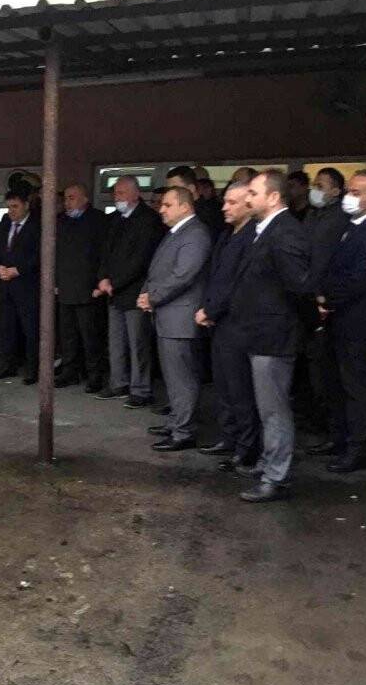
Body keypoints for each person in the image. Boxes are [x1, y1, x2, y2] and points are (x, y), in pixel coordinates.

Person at [230, 170, 310, 502]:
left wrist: (302, 324)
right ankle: (268, 464)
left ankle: (276, 477)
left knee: (274, 409)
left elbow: (299, 286)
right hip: (260, 333)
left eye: (253, 192)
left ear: (273, 197)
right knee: (267, 408)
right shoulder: (264, 231)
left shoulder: (285, 232)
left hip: (274, 336)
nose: (247, 198)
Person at [315, 170, 366, 473]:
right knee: (334, 383)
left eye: (358, 193)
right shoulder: (350, 227)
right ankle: (338, 439)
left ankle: (357, 448)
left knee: (355, 387)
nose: (351, 197)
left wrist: (326, 300)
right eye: (349, 191)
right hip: (338, 320)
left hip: (357, 323)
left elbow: (359, 279)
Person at [138, 187, 212, 451]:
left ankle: (183, 431)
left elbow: (183, 275)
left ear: (184, 206)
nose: (162, 209)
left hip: (180, 317)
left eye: (168, 205)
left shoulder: (195, 234)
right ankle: (176, 422)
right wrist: (146, 293)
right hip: (168, 315)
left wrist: (153, 296)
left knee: (182, 378)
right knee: (173, 376)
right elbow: (158, 269)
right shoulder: (177, 233)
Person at [195, 182, 261, 468]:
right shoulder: (225, 234)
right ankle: (229, 436)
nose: (225, 207)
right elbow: (215, 275)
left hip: (237, 323)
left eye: (232, 202)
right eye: (225, 202)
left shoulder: (252, 237)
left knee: (240, 388)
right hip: (218, 323)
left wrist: (212, 309)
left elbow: (238, 282)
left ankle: (247, 448)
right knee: (223, 384)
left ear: (249, 203)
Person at [95, 175, 165, 404]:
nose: (117, 197)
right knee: (116, 342)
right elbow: (105, 253)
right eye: (115, 193)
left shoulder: (149, 220)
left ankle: (140, 389)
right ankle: (119, 383)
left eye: (122, 193)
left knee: (138, 344)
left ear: (136, 194)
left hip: (135, 292)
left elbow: (141, 260)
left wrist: (114, 282)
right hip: (113, 292)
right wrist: (103, 278)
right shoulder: (115, 219)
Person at [299, 167, 348, 436]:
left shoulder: (338, 219)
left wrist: (319, 293)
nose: (314, 189)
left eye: (321, 185)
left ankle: (328, 426)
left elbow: (323, 260)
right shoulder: (314, 215)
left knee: (323, 367)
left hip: (322, 299)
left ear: (336, 191)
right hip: (307, 296)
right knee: (311, 364)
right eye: (314, 184)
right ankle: (316, 417)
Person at [55, 183, 108, 392]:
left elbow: (105, 254)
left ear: (85, 199)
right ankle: (70, 372)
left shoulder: (98, 220)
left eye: (72, 198)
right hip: (66, 288)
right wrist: (55, 282)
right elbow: (56, 255)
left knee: (91, 336)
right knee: (67, 336)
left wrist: (100, 282)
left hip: (89, 289)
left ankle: (94, 375)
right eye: (66, 198)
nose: (68, 202)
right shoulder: (61, 221)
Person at [0, 190, 40, 383]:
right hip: (4, 285)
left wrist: (18, 270)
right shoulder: (4, 222)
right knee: (7, 328)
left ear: (26, 205)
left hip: (26, 285)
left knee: (30, 330)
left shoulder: (37, 225)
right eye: (8, 207)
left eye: (15, 206)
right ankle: (7, 365)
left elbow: (40, 255)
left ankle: (32, 370)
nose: (11, 211)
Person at [167, 165, 223, 236]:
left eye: (176, 189)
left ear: (191, 188)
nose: (169, 193)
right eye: (168, 190)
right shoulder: (184, 211)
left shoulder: (207, 216)